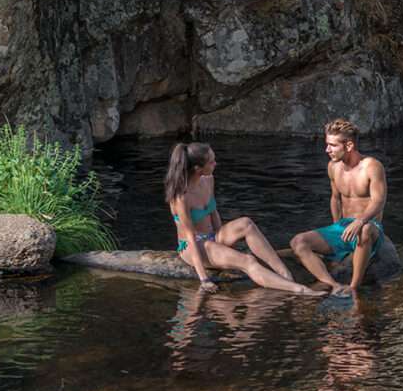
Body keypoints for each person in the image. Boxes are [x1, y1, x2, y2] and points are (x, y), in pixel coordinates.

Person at [165, 142, 325, 296]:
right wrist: (204, 278)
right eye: (211, 161)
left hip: (213, 236)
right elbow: (191, 237)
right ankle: (299, 290)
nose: (216, 163)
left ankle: (284, 273)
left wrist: (222, 242)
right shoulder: (182, 197)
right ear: (198, 168)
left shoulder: (208, 180)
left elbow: (213, 212)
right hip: (193, 245)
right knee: (247, 260)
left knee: (246, 223)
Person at [289, 119, 387, 296]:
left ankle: (353, 286)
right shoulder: (333, 167)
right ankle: (332, 284)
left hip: (369, 226)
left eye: (332, 146)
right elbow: (335, 199)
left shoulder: (372, 166)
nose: (327, 150)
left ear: (349, 145)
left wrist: (360, 221)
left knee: (364, 230)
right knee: (298, 242)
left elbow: (379, 201)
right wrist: (336, 226)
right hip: (343, 227)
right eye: (327, 145)